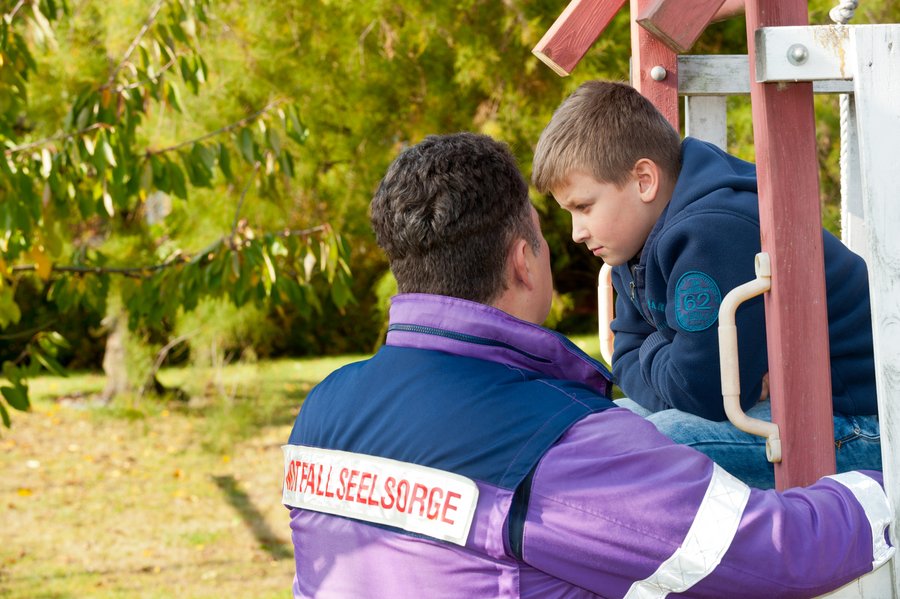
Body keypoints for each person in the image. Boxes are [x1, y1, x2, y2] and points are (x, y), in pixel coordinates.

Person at [283, 132, 892, 598]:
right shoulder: (557, 445)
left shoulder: (322, 412)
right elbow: (777, 552)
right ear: (523, 262)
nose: (575, 237)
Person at [532, 80, 882, 489]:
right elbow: (625, 358)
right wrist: (676, 360)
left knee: (644, 453)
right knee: (593, 429)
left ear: (644, 180)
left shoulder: (712, 232)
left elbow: (701, 392)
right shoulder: (633, 241)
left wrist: (665, 356)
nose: (576, 232)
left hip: (858, 422)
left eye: (584, 207)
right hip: (788, 410)